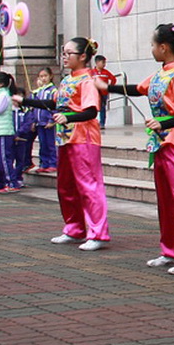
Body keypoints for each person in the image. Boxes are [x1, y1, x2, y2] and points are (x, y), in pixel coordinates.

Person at [99, 23, 174, 275]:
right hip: (161, 144)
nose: (151, 49)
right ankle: (171, 250)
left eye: (152, 45)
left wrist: (163, 121)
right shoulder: (161, 74)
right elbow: (138, 89)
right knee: (167, 201)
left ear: (163, 47)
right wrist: (107, 88)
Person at [16, 38, 111, 249]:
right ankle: (74, 228)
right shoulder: (68, 80)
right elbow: (54, 103)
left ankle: (97, 233)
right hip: (65, 139)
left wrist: (69, 117)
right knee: (66, 186)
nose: (65, 57)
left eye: (69, 53)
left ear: (83, 56)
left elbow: (91, 111)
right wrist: (25, 101)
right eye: (64, 53)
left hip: (84, 138)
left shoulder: (88, 80)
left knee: (89, 186)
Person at [29, 68, 58, 173]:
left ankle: (53, 163)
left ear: (50, 76)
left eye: (45, 76)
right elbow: (33, 107)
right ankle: (44, 163)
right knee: (42, 144)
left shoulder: (53, 91)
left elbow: (55, 106)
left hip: (48, 122)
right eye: (41, 76)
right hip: (39, 122)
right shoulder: (38, 91)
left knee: (51, 143)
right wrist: (33, 121)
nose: (43, 78)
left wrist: (51, 120)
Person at [92, 55, 117, 129]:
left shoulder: (106, 72)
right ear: (97, 62)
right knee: (93, 108)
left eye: (104, 62)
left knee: (102, 108)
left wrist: (109, 88)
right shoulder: (92, 72)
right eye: (102, 62)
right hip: (94, 94)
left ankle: (102, 123)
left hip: (103, 94)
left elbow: (113, 79)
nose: (104, 64)